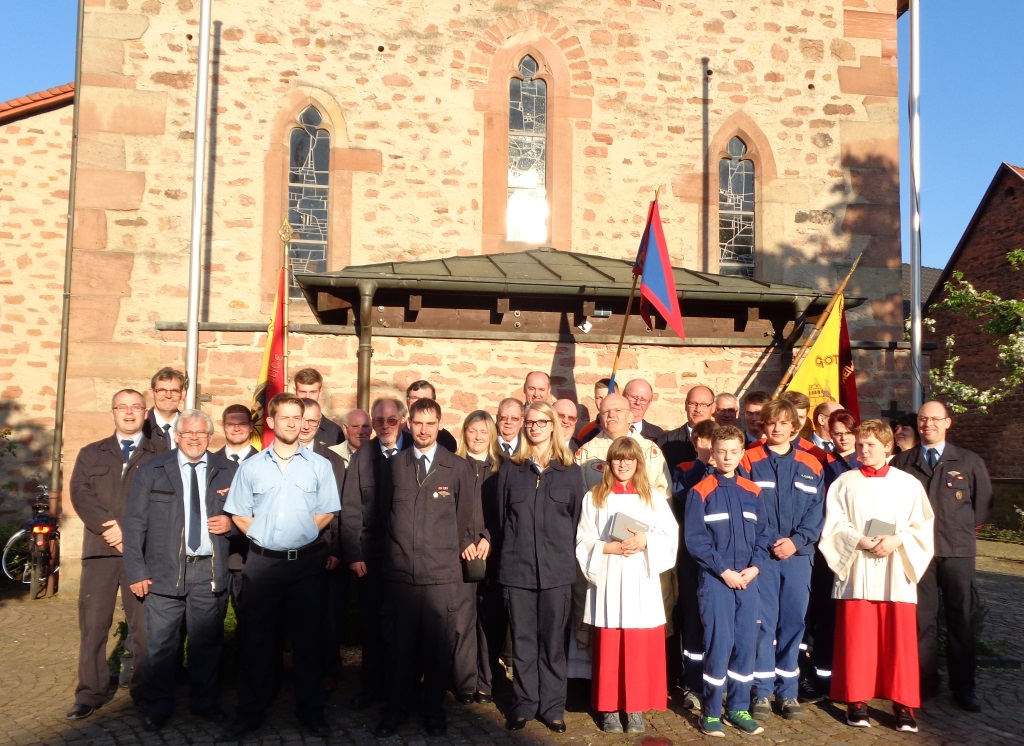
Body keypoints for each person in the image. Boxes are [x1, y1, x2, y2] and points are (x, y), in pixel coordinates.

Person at [219, 393, 340, 741]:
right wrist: (264, 536)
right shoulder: (252, 467)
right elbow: (239, 512)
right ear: (271, 422)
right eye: (285, 417)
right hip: (262, 565)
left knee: (308, 642)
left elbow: (327, 511)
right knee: (256, 641)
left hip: (305, 565)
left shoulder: (319, 466)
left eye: (297, 417)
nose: (292, 423)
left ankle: (311, 711)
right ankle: (250, 712)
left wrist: (298, 535)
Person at [122, 410, 237, 731]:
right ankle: (158, 704)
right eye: (188, 433)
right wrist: (136, 570)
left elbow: (249, 514)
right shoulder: (152, 470)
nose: (195, 439)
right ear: (177, 436)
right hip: (163, 571)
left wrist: (232, 524)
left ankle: (205, 702)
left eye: (201, 433)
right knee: (160, 644)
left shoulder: (229, 471)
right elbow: (134, 524)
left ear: (210, 437)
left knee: (206, 642)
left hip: (209, 570)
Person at [373, 398, 482, 738]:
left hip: (441, 576)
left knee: (437, 651)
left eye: (430, 423)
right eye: (418, 423)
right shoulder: (394, 465)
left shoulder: (457, 468)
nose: (423, 430)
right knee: (399, 649)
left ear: (439, 425)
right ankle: (396, 710)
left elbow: (466, 520)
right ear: (409, 424)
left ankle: (434, 711)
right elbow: (383, 514)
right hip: (401, 575)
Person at [820, 420, 934, 732]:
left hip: (895, 570)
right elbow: (833, 524)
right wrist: (858, 540)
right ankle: (856, 701)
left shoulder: (908, 484)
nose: (864, 450)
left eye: (870, 444)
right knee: (858, 639)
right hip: (857, 568)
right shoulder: (845, 482)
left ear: (887, 446)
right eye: (860, 444)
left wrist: (898, 540)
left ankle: (904, 704)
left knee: (899, 643)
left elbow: (922, 525)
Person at [66, 388, 165, 721]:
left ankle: (145, 692)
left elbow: (163, 500)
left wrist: (129, 534)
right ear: (112, 413)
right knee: (94, 625)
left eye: (136, 407)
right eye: (122, 407)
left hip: (143, 554)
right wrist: (109, 527)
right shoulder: (91, 453)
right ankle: (90, 693)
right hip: (100, 551)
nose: (129, 412)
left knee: (144, 628)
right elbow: (80, 493)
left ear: (145, 413)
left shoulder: (160, 453)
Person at [890, 401, 992, 712]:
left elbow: (982, 507)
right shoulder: (903, 463)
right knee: (922, 621)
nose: (928, 424)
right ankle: (924, 682)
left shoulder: (969, 461)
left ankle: (964, 687)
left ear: (948, 422)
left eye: (935, 419)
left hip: (957, 551)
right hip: (917, 553)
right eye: (923, 419)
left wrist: (958, 532)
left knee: (961, 618)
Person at [576, 437, 679, 734]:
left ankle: (634, 707)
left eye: (629, 459)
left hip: (640, 578)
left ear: (638, 463)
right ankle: (609, 707)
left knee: (638, 646)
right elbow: (583, 540)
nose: (623, 464)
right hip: (609, 576)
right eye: (617, 459)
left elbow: (669, 535)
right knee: (610, 646)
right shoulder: (595, 497)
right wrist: (607, 548)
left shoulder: (653, 498)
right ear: (609, 463)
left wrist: (645, 540)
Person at [497, 401, 586, 733]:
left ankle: (552, 707)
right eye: (530, 423)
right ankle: (524, 704)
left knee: (552, 643)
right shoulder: (511, 470)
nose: (534, 427)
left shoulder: (570, 472)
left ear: (552, 426)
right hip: (517, 570)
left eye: (540, 422)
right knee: (522, 641)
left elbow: (577, 522)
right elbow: (501, 519)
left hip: (556, 572)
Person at [741, 399, 824, 721]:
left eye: (783, 422)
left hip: (798, 557)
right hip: (763, 556)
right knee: (763, 624)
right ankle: (762, 692)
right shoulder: (749, 459)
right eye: (771, 422)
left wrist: (796, 541)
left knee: (793, 623)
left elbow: (817, 511)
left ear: (794, 427)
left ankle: (788, 692)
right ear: (763, 425)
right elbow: (746, 507)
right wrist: (772, 541)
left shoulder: (811, 463)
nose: (777, 428)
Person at [685, 425, 770, 737]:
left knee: (745, 645)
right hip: (716, 581)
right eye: (721, 451)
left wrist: (755, 567)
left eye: (734, 451)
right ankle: (710, 712)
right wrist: (723, 571)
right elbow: (697, 541)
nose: (727, 457)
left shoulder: (753, 491)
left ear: (742, 453)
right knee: (718, 645)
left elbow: (764, 535)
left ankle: (738, 708)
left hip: (748, 581)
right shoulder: (700, 492)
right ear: (713, 453)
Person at [339, 397, 411, 710]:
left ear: (403, 421)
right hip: (371, 557)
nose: (384, 426)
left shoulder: (415, 452)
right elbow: (351, 508)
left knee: (405, 626)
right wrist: (354, 553)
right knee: (372, 626)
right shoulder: (363, 456)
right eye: (378, 420)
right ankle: (372, 686)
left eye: (391, 420)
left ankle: (403, 688)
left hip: (409, 555)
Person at [803, 408, 861, 701]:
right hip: (828, 549)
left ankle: (853, 676)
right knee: (825, 615)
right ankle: (823, 676)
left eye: (848, 433)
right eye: (837, 434)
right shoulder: (822, 465)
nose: (842, 439)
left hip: (861, 550)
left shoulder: (865, 464)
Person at [457, 410, 507, 706]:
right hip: (460, 554)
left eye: (483, 431)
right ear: (464, 433)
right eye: (472, 430)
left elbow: (507, 511)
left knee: (489, 622)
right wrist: (463, 540)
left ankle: (486, 683)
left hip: (492, 555)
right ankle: (465, 681)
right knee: (463, 621)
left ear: (491, 435)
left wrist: (489, 536)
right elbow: (447, 511)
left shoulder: (503, 469)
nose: (477, 437)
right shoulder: (453, 466)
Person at [212, 404, 257, 614]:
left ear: (251, 427)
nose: (236, 428)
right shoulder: (209, 462)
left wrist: (234, 525)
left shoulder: (265, 462)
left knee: (250, 620)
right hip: (215, 557)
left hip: (249, 557)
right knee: (210, 621)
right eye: (231, 424)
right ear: (223, 426)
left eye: (242, 424)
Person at [659, 384, 716, 465]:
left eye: (704, 405)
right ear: (686, 405)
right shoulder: (667, 441)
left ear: (713, 407)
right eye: (693, 403)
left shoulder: (724, 439)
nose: (698, 409)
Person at [403, 380, 458, 451]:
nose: (420, 403)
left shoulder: (446, 440)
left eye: (425, 399)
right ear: (407, 401)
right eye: (415, 398)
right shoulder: (396, 433)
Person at [293, 367, 343, 445]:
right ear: (295, 391)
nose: (308, 396)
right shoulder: (284, 426)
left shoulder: (334, 432)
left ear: (320, 392)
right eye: (303, 392)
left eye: (312, 392)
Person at [143, 367, 186, 449]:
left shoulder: (191, 428)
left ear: (182, 394)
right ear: (152, 393)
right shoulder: (140, 427)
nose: (168, 396)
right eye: (162, 390)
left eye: (174, 391)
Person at [575, 378, 616, 444]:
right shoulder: (586, 432)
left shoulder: (626, 428)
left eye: (607, 397)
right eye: (599, 397)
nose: (603, 401)